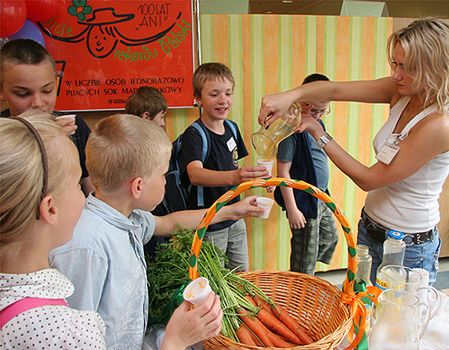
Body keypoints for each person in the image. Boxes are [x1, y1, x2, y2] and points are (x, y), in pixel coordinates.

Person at [258, 18, 449, 285]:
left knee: (396, 322)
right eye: (395, 63)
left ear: (434, 68)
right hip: (370, 229)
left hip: (409, 248)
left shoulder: (439, 124)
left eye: (407, 67)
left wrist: (318, 132)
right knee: (363, 312)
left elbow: (369, 178)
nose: (396, 74)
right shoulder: (404, 90)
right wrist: (289, 96)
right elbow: (334, 89)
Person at [49, 114, 263, 349]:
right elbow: (74, 335)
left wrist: (231, 211)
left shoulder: (127, 216)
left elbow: (169, 223)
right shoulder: (87, 245)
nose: (166, 183)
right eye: (162, 176)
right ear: (138, 186)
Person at [0, 111, 106, 349]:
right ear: (51, 208)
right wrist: (174, 341)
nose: (84, 195)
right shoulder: (67, 333)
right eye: (78, 185)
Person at [180, 62, 269, 272]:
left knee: (241, 275)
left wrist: (261, 179)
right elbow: (194, 174)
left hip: (235, 216)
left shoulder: (231, 128)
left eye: (228, 93)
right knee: (215, 280)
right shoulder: (194, 134)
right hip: (210, 221)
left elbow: (238, 167)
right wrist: (235, 177)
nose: (223, 100)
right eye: (214, 94)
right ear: (198, 99)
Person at [0, 38, 94, 195]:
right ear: (2, 91)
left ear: (56, 84)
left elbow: (93, 193)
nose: (37, 102)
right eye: (22, 94)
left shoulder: (75, 126)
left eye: (47, 90)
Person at [275, 73, 338, 275]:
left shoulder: (318, 125)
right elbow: (283, 172)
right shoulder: (291, 132)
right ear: (301, 102)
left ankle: (305, 268)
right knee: (304, 263)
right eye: (311, 109)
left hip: (320, 196)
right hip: (303, 202)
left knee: (330, 236)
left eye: (322, 111)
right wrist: (292, 209)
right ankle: (300, 288)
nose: (316, 115)